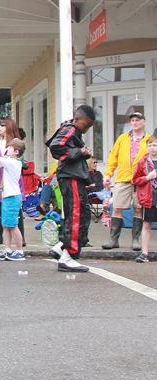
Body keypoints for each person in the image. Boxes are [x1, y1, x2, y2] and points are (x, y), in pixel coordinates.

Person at [46, 105, 95, 273]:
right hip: (71, 177)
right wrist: (79, 151)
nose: (86, 129)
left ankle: (61, 247)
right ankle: (69, 256)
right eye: (86, 126)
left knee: (81, 214)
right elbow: (56, 147)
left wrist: (81, 153)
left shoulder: (72, 130)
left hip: (73, 176)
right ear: (77, 119)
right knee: (76, 215)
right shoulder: (70, 128)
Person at [102, 111, 149, 250]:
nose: (134, 123)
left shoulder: (149, 140)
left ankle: (135, 240)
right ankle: (113, 239)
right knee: (116, 208)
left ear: (143, 122)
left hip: (141, 181)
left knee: (138, 209)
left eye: (137, 120)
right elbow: (113, 158)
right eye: (133, 120)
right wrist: (108, 174)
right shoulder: (123, 138)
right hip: (123, 178)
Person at [0, 139, 26, 261]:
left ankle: (19, 251)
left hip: (12, 197)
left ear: (16, 152)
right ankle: (8, 249)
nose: (7, 149)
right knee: (5, 225)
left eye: (10, 148)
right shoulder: (11, 162)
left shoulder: (12, 162)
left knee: (13, 225)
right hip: (7, 196)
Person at [131, 134, 157, 263]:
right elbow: (135, 179)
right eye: (150, 145)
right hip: (149, 198)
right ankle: (144, 253)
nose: (153, 148)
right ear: (147, 147)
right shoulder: (143, 162)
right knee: (147, 224)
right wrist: (147, 178)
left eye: (155, 145)